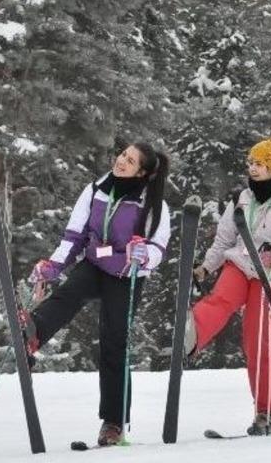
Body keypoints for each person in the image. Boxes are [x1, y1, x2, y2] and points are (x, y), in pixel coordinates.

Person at [25, 141, 171, 446]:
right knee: (69, 292)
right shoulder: (96, 190)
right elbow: (75, 235)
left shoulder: (153, 203)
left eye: (130, 161)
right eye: (122, 155)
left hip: (125, 273)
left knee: (114, 343)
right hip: (94, 263)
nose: (121, 162)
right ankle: (33, 332)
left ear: (141, 172)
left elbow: (158, 247)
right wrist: (52, 266)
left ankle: (113, 422)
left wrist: (143, 255)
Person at [186, 133, 271, 436]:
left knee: (257, 342)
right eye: (251, 162)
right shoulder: (241, 198)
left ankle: (268, 411)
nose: (253, 168)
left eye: (260, 163)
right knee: (221, 298)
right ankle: (192, 332)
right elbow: (224, 239)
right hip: (241, 263)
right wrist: (206, 266)